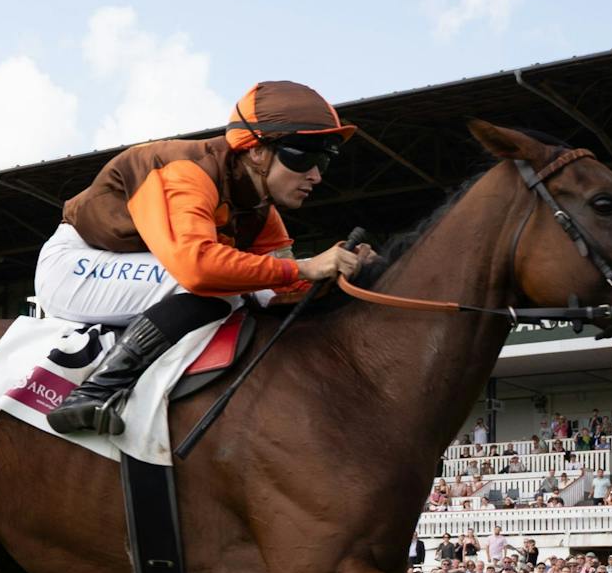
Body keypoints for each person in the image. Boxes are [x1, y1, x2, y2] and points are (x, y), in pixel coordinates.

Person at [38, 81, 376, 435]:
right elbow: (197, 269)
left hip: (135, 269)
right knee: (219, 289)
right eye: (304, 156)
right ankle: (93, 392)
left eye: (324, 159)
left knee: (248, 288)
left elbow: (281, 286)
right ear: (257, 151)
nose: (316, 175)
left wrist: (342, 270)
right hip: (76, 266)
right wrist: (306, 265)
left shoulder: (261, 210)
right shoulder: (187, 172)